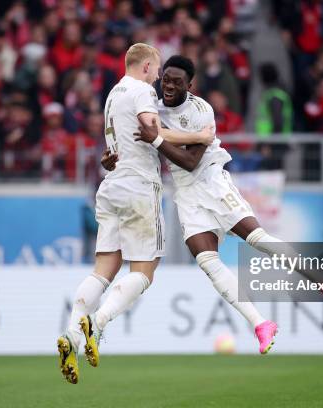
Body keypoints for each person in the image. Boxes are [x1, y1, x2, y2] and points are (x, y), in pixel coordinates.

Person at [105, 55, 323, 351]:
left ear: (189, 85)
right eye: (165, 79)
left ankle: (321, 279)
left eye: (176, 82)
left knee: (257, 239)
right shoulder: (150, 108)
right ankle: (260, 323)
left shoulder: (200, 110)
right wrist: (113, 157)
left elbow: (191, 161)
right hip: (186, 195)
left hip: (212, 182)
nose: (168, 86)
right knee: (208, 263)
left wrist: (156, 140)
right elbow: (137, 138)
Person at [57, 44, 213, 385]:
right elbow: (151, 130)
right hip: (139, 187)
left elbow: (119, 141)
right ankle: (96, 323)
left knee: (104, 269)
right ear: (145, 67)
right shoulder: (142, 91)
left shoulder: (113, 93)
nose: (159, 79)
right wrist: (199, 136)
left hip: (110, 185)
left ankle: (71, 333)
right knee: (144, 271)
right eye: (156, 71)